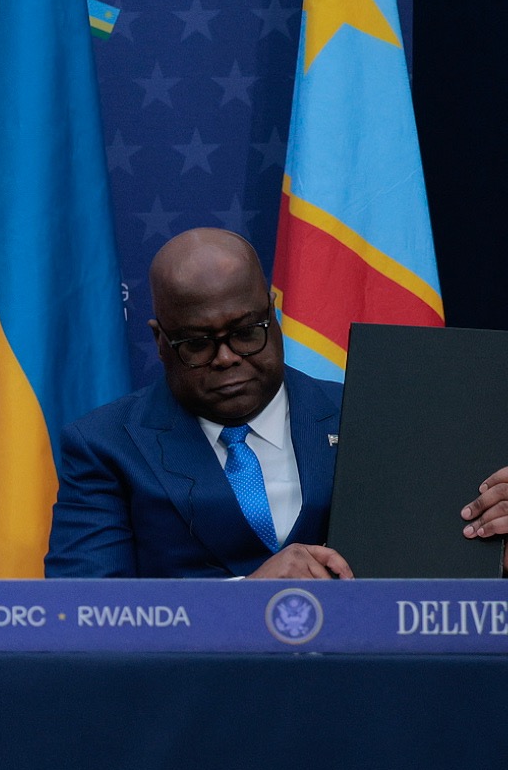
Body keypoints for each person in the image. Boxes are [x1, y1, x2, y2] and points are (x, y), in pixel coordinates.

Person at [46, 227, 508, 578]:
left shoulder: (375, 416)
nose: (227, 359)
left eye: (247, 331)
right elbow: (84, 613)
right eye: (198, 344)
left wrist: (492, 547)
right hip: (194, 697)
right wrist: (248, 599)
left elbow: (435, 580)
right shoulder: (105, 446)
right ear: (161, 341)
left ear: (273, 314)